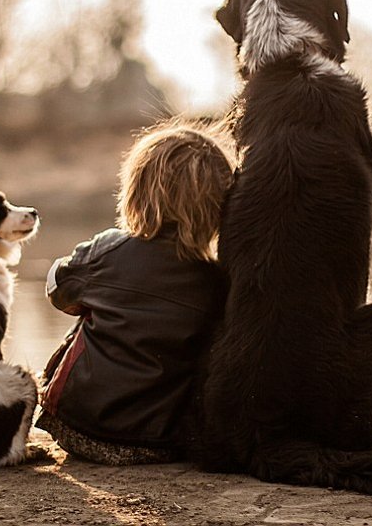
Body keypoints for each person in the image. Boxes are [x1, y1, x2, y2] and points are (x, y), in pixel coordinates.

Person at [36, 122, 235, 465]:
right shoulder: (217, 281)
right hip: (161, 442)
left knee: (90, 309)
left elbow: (57, 290)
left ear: (137, 190)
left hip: (78, 428)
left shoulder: (109, 250)